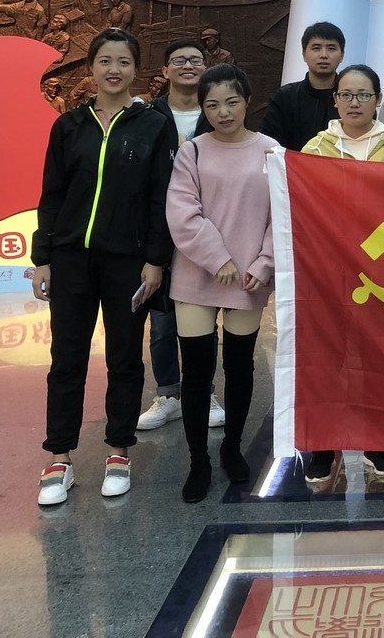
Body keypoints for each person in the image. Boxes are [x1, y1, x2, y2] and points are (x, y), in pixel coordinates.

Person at [32, 28, 178, 506]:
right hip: (70, 260)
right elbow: (52, 194)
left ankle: (119, 450)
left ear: (136, 69)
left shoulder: (153, 125)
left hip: (128, 264)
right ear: (92, 68)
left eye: (123, 61)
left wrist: (155, 260)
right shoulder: (68, 126)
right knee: (66, 358)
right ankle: (60, 457)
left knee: (124, 357)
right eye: (105, 61)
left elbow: (161, 197)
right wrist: (43, 258)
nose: (114, 70)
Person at [164, 64, 277, 502]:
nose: (223, 112)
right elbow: (182, 213)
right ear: (202, 108)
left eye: (231, 102)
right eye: (212, 105)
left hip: (248, 278)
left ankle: (231, 447)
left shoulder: (272, 151)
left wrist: (263, 264)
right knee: (196, 372)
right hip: (197, 274)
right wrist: (218, 259)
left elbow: (281, 217)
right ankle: (198, 460)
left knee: (240, 367)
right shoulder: (192, 152)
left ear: (247, 101)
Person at [298, 64, 384, 484]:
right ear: (335, 100)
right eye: (346, 95)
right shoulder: (314, 148)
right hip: (328, 271)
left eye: (364, 95)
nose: (354, 103)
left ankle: (376, 441)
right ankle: (324, 445)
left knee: (378, 356)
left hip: (383, 271)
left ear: (378, 99)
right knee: (327, 357)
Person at [139, 40, 224, 434]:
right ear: (165, 70)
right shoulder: (147, 115)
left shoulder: (216, 113)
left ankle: (203, 392)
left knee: (204, 317)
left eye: (196, 60)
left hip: (205, 227)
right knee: (161, 322)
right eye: (179, 60)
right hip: (158, 230)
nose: (188, 65)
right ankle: (169, 394)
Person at [261, 22, 343, 149]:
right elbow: (271, 144)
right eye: (316, 48)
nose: (324, 55)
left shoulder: (351, 99)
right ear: (304, 54)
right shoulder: (285, 97)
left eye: (331, 48)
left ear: (342, 55)